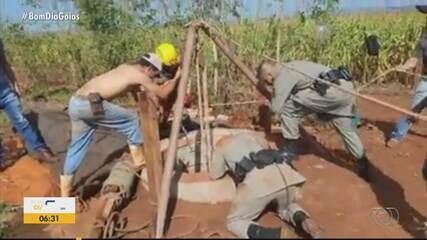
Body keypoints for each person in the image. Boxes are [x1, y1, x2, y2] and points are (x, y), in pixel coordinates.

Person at [60, 53, 180, 197]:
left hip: (75, 103)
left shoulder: (125, 68)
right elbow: (163, 93)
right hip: (91, 104)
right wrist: (178, 77)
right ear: (149, 68)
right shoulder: (140, 75)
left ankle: (65, 193)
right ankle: (139, 160)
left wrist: (144, 100)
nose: (153, 77)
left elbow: (137, 91)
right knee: (131, 120)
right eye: (154, 74)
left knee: (77, 146)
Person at [257, 60, 371, 182]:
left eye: (265, 80)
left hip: (330, 92)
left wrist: (271, 101)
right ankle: (362, 161)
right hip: (345, 88)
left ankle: (289, 151)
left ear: (269, 75)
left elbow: (276, 108)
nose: (268, 83)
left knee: (288, 109)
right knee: (345, 129)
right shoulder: (293, 65)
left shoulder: (283, 76)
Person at [209, 133, 322, 239]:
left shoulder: (221, 144)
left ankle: (272, 235)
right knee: (286, 206)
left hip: (259, 181)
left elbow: (215, 175)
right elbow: (266, 147)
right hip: (284, 173)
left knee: (234, 221)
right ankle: (303, 219)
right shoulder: (249, 136)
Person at [0, 38, 56, 170]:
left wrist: (14, 83)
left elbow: (4, 63)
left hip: (6, 92)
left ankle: (42, 151)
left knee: (22, 121)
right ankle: (1, 158)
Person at [386, 5, 427, 148]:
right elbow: (415, 59)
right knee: (413, 110)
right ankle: (397, 136)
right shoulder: (424, 41)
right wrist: (403, 66)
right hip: (426, 81)